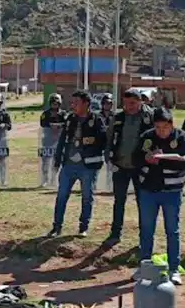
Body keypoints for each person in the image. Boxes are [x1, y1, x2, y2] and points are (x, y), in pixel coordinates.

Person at [132, 107, 185, 285]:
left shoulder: (183, 138)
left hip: (171, 192)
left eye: (164, 127)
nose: (161, 131)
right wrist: (146, 159)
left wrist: (162, 159)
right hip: (148, 191)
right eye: (157, 127)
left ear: (172, 125)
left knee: (172, 231)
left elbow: (183, 164)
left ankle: (174, 269)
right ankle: (144, 267)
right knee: (146, 230)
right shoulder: (147, 137)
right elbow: (136, 159)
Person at [47, 90, 108, 238]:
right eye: (72, 103)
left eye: (76, 103)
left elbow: (103, 141)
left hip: (88, 166)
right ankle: (56, 227)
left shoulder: (97, 120)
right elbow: (62, 140)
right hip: (68, 165)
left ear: (86, 104)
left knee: (87, 196)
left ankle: (83, 227)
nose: (73, 105)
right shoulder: (70, 119)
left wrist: (90, 144)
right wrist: (57, 160)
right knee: (61, 196)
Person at [105, 89, 154, 243]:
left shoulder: (150, 117)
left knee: (143, 203)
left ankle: (144, 238)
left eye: (132, 103)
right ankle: (115, 234)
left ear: (141, 101)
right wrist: (109, 158)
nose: (128, 106)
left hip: (142, 167)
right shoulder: (118, 117)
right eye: (125, 103)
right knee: (119, 201)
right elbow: (110, 138)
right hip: (120, 166)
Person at [38, 93, 67, 187]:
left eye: (56, 103)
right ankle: (45, 179)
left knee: (57, 161)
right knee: (45, 161)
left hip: (59, 142)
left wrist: (59, 125)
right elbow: (42, 124)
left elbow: (67, 124)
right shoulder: (45, 114)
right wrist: (51, 125)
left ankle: (54, 179)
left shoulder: (63, 114)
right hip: (47, 141)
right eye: (53, 103)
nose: (55, 105)